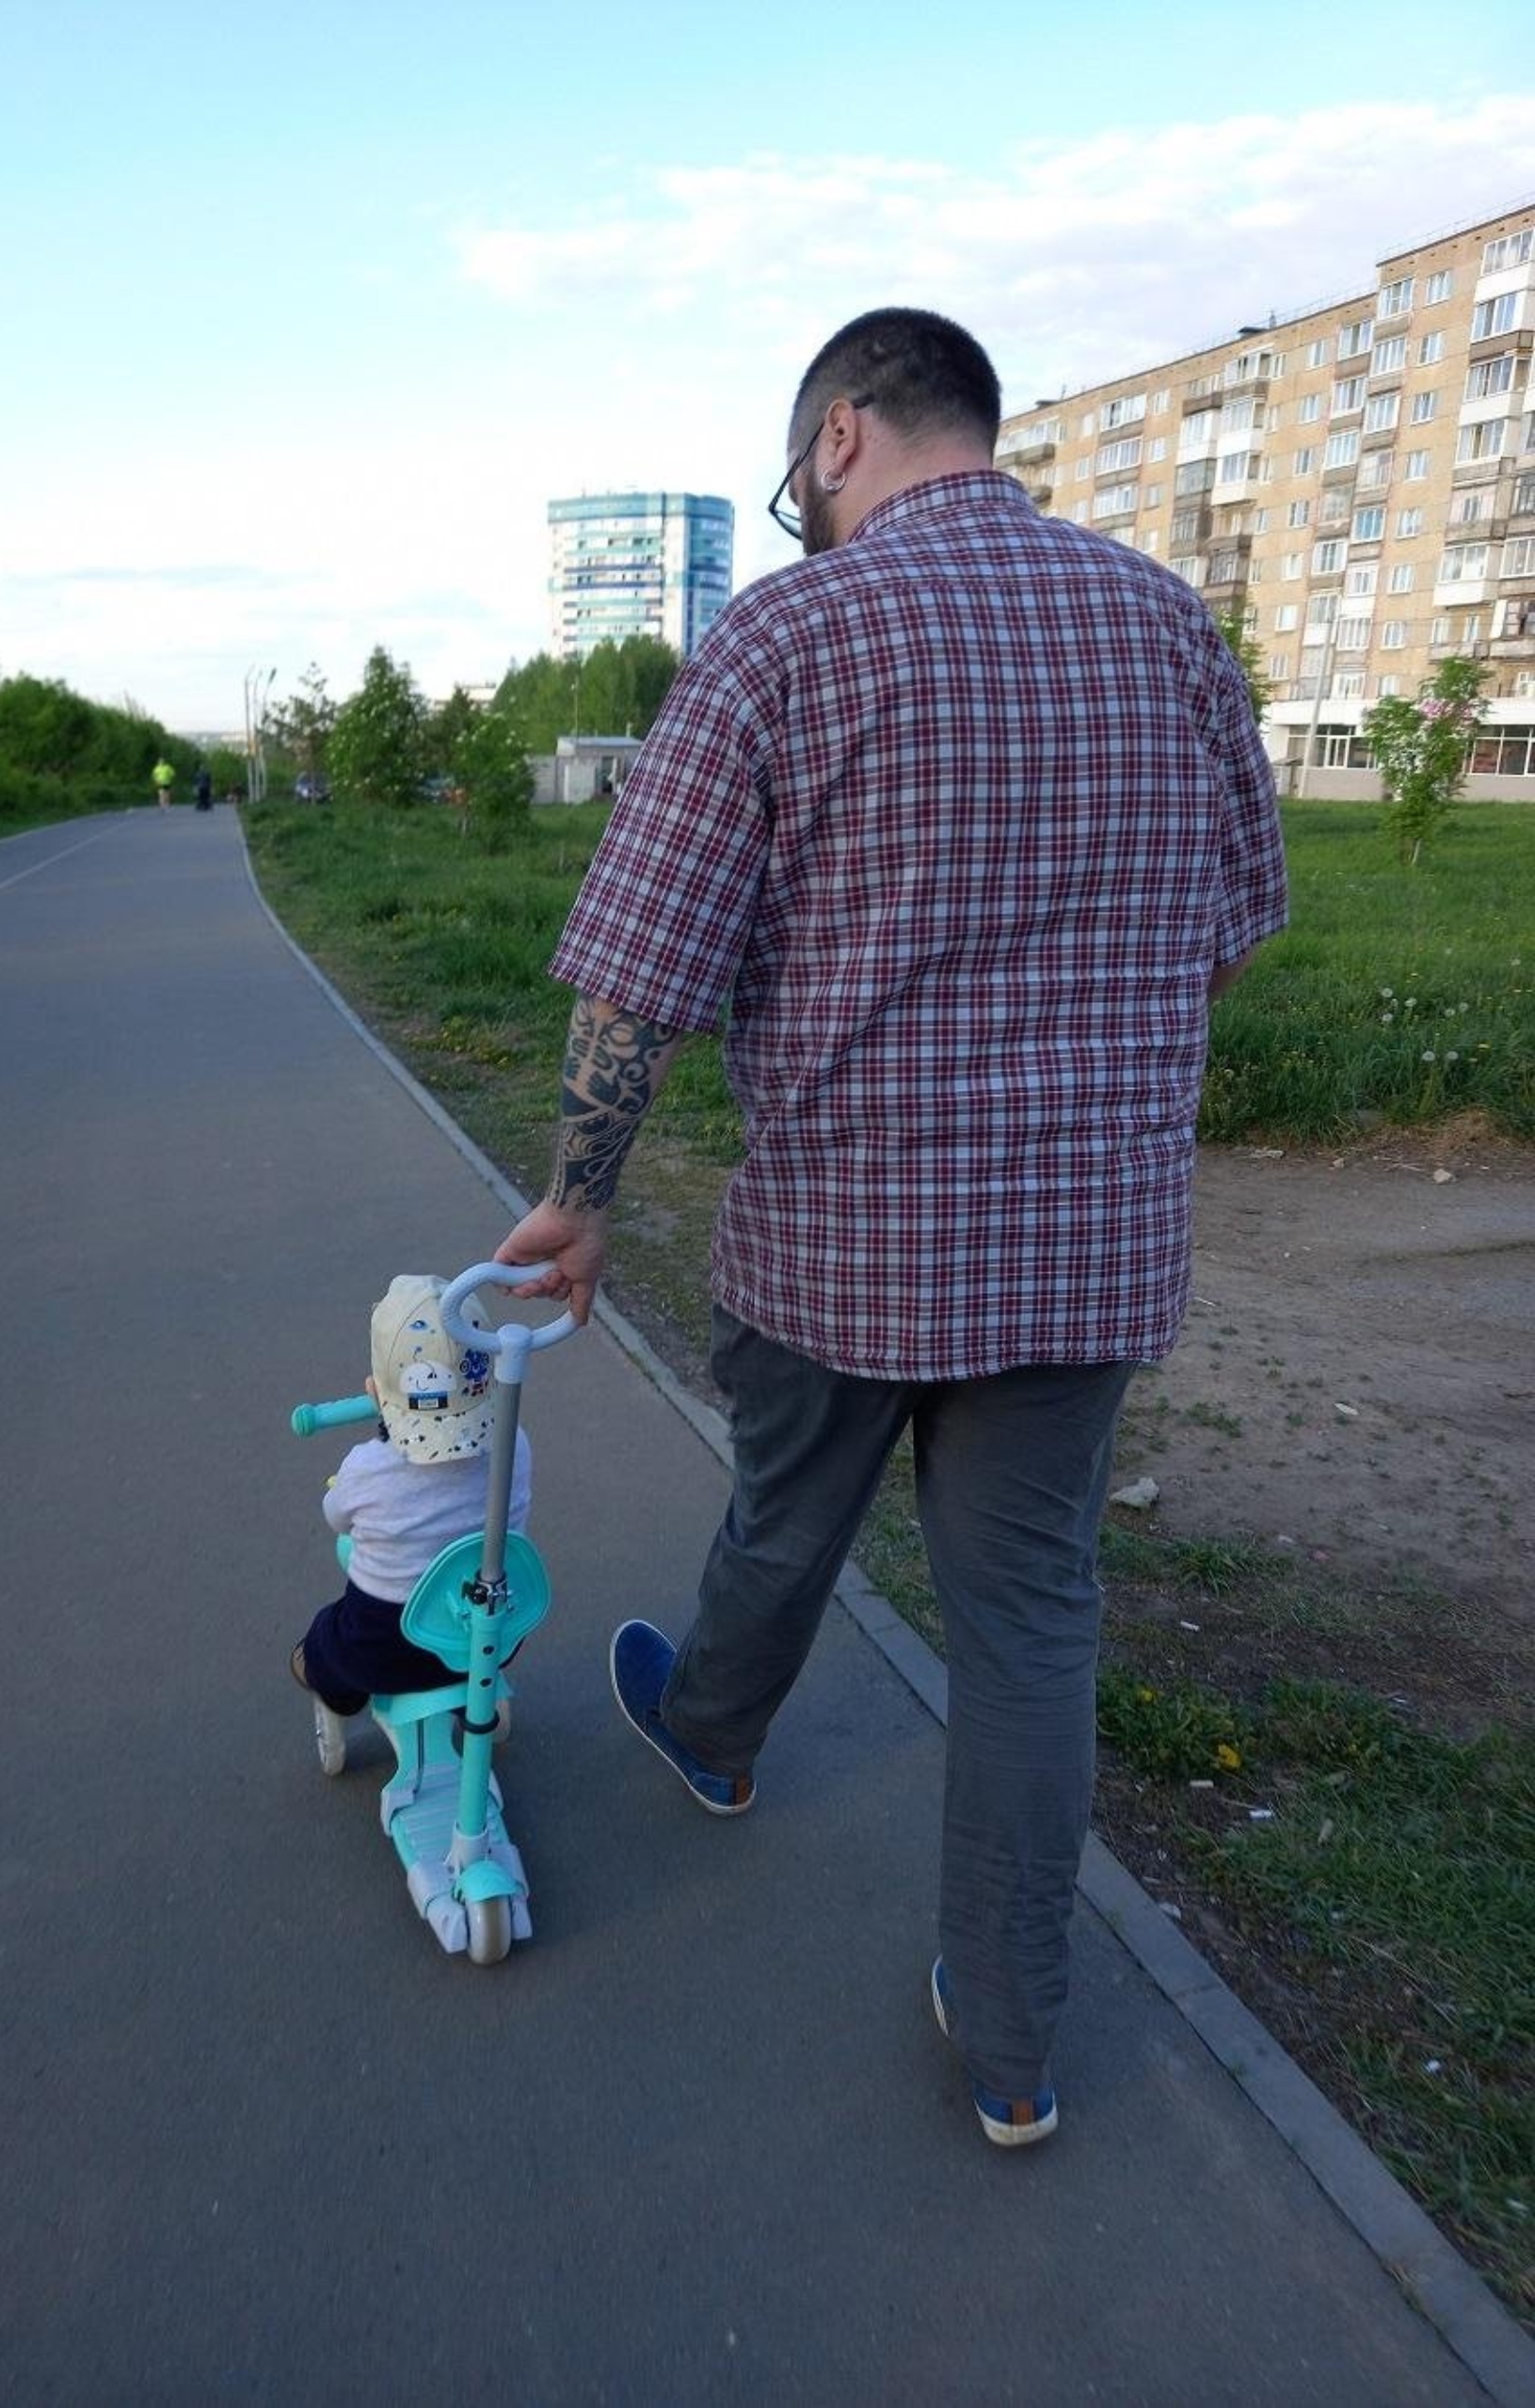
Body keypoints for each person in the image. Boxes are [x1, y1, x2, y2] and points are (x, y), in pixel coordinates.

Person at [498, 307, 1287, 2148]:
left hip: (845, 1229)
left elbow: (636, 975)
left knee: (789, 1505)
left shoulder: (789, 630)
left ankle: (711, 1732)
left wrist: (578, 1198)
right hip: (1083, 1247)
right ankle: (1012, 2042)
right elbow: (1233, 924)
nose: (804, 514)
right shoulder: (1165, 623)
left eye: (799, 483)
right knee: (1028, 1620)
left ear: (842, 434)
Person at [290, 1275, 533, 1772]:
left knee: (324, 1642)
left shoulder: (365, 1468)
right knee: (471, 1601)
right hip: (489, 1638)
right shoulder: (515, 1446)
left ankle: (338, 1701)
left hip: (383, 1649)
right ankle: (475, 1700)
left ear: (375, 1392)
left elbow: (337, 1518)